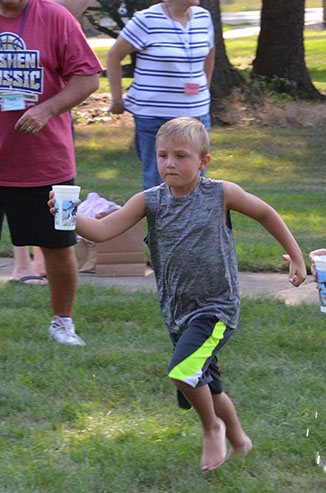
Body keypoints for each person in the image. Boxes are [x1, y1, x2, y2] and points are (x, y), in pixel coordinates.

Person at [48, 117, 307, 470]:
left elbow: (265, 212)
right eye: (163, 155)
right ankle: (240, 439)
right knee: (208, 384)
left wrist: (295, 257)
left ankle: (211, 428)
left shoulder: (220, 194)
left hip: (216, 307)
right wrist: (68, 215)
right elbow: (103, 230)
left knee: (183, 372)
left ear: (204, 161)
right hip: (177, 311)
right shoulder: (150, 201)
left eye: (181, 156)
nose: (170, 163)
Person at [0, 0, 103, 345]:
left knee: (61, 245)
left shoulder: (55, 17)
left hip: (51, 163)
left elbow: (88, 77)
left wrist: (47, 109)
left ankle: (63, 323)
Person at [106, 0, 215, 190]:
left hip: (197, 115)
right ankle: (160, 221)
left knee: (195, 183)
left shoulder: (203, 17)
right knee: (159, 185)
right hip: (155, 117)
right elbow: (114, 55)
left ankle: (192, 221)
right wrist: (117, 99)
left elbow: (210, 53)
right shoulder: (146, 19)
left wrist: (204, 89)